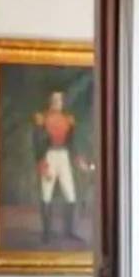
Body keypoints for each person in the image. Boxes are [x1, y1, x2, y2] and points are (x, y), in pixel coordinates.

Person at [31, 90, 81, 242]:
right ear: (50, 101)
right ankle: (46, 233)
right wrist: (42, 164)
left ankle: (69, 231)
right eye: (54, 99)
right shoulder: (42, 119)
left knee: (70, 194)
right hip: (49, 156)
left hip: (64, 156)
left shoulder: (68, 119)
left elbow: (71, 143)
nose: (57, 102)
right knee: (46, 194)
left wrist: (78, 159)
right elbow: (37, 144)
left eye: (59, 99)